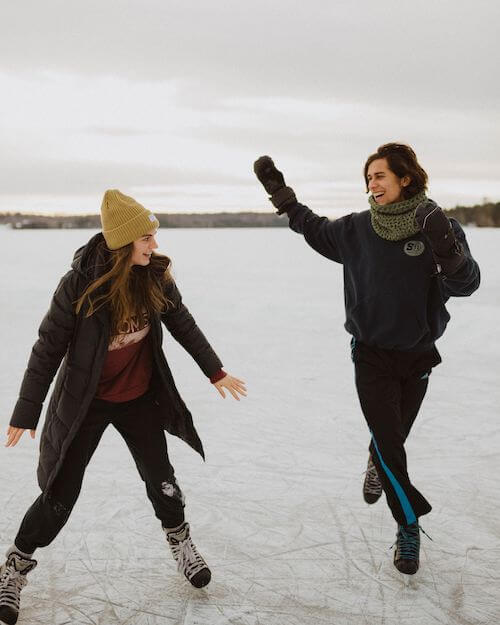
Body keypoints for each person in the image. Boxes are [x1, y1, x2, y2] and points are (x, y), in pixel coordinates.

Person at [0, 190, 246, 624]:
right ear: (123, 242)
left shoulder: (155, 277)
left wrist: (215, 371)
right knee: (59, 495)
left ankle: (180, 542)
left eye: (153, 236)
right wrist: (26, 410)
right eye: (146, 238)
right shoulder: (79, 285)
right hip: (85, 404)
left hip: (139, 398)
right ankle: (15, 567)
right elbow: (47, 349)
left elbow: (182, 322)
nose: (154, 246)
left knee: (162, 480)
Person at [253, 143, 480, 576]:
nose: (371, 184)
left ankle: (376, 460)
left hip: (418, 357)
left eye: (379, 176)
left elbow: (468, 283)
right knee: (394, 450)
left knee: (390, 441)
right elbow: (311, 227)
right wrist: (279, 193)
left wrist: (446, 246)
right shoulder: (357, 230)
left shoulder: (438, 226)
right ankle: (408, 527)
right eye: (368, 177)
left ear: (405, 178)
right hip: (371, 356)